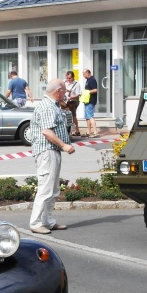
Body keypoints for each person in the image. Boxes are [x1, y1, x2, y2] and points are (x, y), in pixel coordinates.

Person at [28, 79, 76, 234]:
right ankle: (36, 223)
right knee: (46, 189)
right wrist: (64, 145)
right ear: (58, 91)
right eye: (64, 90)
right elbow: (46, 131)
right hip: (47, 151)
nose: (65, 93)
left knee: (53, 189)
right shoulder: (48, 106)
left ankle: (47, 221)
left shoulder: (51, 105)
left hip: (51, 151)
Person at [62, 71, 82, 135]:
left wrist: (71, 97)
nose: (68, 80)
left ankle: (76, 130)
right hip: (65, 101)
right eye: (67, 78)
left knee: (72, 115)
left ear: (73, 77)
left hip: (73, 101)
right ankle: (67, 130)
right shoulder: (64, 82)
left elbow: (78, 94)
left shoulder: (76, 84)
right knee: (65, 115)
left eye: (70, 78)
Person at [81, 69, 99, 137]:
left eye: (84, 74)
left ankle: (95, 132)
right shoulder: (88, 80)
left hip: (90, 100)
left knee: (90, 116)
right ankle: (89, 131)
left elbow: (95, 90)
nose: (83, 75)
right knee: (87, 117)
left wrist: (87, 92)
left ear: (88, 73)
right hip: (87, 100)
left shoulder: (92, 80)